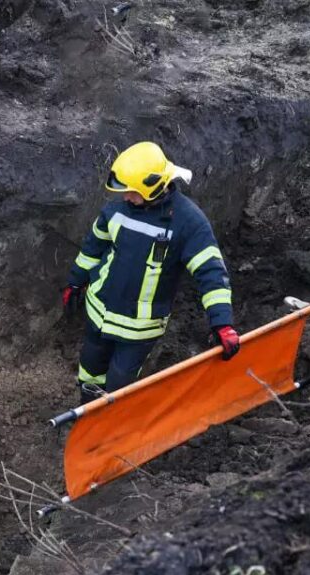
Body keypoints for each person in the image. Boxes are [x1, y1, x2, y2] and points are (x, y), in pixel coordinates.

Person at [62, 141, 240, 402]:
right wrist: (75, 282)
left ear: (153, 185)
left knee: (119, 388)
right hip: (98, 312)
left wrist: (222, 323)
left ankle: (111, 432)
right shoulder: (116, 211)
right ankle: (86, 415)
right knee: (89, 372)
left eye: (132, 192)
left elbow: (211, 273)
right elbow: (92, 249)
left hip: (138, 331)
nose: (125, 197)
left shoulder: (189, 222)